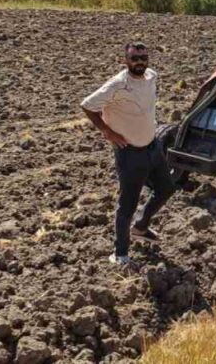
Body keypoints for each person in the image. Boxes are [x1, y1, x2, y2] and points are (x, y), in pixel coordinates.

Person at [81, 42, 176, 267]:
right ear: (126, 60)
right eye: (135, 58)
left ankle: (140, 227)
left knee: (167, 188)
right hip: (130, 153)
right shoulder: (117, 85)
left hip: (153, 147)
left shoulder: (152, 76)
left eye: (143, 57)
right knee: (127, 205)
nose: (140, 62)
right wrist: (107, 131)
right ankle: (120, 254)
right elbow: (87, 105)